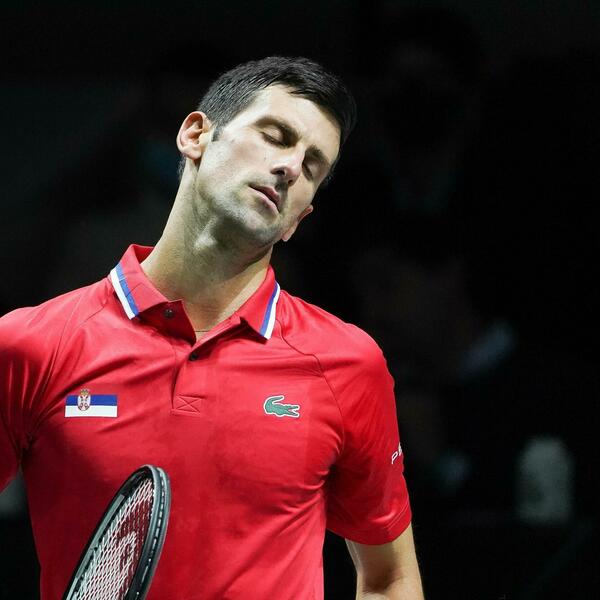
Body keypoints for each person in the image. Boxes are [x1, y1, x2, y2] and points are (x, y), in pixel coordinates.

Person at [0, 57, 424, 600]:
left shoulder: (346, 364)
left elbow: (389, 578)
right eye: (275, 136)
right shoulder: (33, 345)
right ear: (196, 135)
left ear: (300, 219)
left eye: (312, 166)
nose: (290, 167)